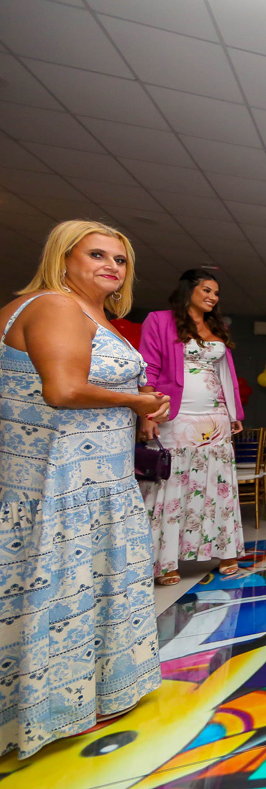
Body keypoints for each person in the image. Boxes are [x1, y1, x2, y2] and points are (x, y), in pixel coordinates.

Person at [0, 220, 170, 759]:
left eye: (119, 259)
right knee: (63, 586)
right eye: (97, 254)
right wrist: (136, 401)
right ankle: (54, 706)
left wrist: (139, 408)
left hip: (94, 477)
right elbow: (64, 389)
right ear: (63, 257)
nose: (111, 267)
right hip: (63, 481)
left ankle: (85, 693)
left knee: (83, 583)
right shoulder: (55, 305)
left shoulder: (90, 313)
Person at [138, 269, 246, 586]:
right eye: (207, 290)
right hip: (176, 415)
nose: (213, 297)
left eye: (216, 293)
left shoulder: (216, 327)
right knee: (173, 484)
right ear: (189, 290)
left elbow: (226, 373)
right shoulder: (159, 320)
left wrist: (234, 412)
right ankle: (165, 560)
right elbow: (148, 368)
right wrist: (147, 413)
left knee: (218, 484)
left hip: (216, 416)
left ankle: (225, 551)